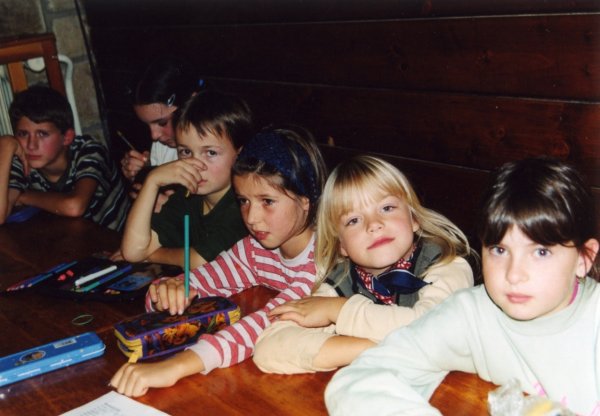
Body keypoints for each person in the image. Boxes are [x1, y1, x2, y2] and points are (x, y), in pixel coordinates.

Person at [325, 157, 600, 416]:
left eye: (541, 252)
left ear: (584, 259)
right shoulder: (471, 314)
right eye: (499, 250)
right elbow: (357, 380)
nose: (514, 275)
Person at [110, 125, 328, 397]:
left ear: (305, 200)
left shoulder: (323, 260)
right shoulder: (255, 249)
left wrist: (175, 367)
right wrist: (167, 290)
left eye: (267, 201)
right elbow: (202, 280)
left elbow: (264, 326)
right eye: (243, 201)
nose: (251, 218)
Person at [253, 155, 474, 374]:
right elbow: (269, 348)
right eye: (354, 220)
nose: (374, 224)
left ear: (414, 218)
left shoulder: (448, 265)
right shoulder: (341, 280)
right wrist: (377, 349)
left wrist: (338, 310)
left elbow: (432, 332)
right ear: (341, 245)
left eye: (387, 208)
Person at [119, 90, 253, 268]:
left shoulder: (245, 204)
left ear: (240, 154)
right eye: (186, 152)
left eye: (210, 153)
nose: (195, 165)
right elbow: (132, 251)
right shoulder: (187, 197)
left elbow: (202, 261)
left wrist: (150, 256)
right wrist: (152, 181)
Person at [0, 85, 130, 230]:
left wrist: (23, 196)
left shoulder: (89, 150)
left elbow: (74, 207)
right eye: (23, 134)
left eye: (42, 134)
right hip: (73, 238)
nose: (31, 145)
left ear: (67, 137)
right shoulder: (24, 160)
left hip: (120, 239)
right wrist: (6, 146)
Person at [120, 56, 202, 184]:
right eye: (146, 125)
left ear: (192, 103)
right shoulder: (162, 147)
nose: (154, 136)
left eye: (162, 123)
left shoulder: (215, 149)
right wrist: (145, 173)